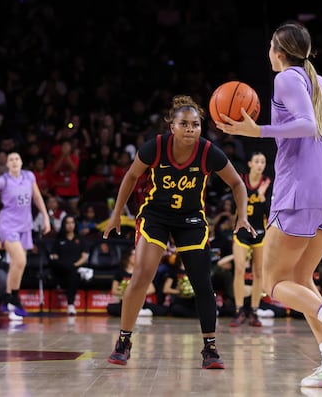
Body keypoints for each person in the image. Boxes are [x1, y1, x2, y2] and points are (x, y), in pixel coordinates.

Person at [216, 20, 322, 389]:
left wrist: (258, 131)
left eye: (269, 46)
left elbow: (306, 124)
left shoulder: (286, 78)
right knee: (300, 279)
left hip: (299, 193)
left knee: (272, 283)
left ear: (278, 52)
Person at [104, 94, 253, 369]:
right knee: (141, 276)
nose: (190, 129)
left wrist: (241, 215)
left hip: (191, 219)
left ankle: (210, 347)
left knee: (202, 283)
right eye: (184, 124)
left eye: (195, 125)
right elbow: (131, 176)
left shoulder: (208, 151)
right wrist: (116, 215)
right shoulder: (156, 147)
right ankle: (124, 340)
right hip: (155, 216)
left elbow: (238, 184)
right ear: (171, 126)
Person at [0, 151, 51, 321]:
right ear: (7, 164)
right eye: (10, 159)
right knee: (20, 260)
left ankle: (7, 299)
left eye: (16, 158)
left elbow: (38, 198)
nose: (14, 161)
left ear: (21, 162)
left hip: (25, 225)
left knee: (16, 265)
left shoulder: (29, 176)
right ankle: (15, 299)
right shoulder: (1, 181)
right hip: (7, 225)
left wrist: (46, 218)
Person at [230, 151, 271, 327]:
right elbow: (234, 205)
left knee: (259, 272)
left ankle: (254, 311)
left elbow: (271, 211)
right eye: (257, 161)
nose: (260, 164)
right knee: (239, 269)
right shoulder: (241, 180)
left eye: (263, 161)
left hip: (260, 232)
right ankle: (239, 310)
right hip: (241, 230)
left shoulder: (268, 183)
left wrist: (262, 197)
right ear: (250, 164)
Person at [48, 215, 89, 315]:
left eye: (72, 223)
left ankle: (70, 305)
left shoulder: (80, 239)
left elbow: (84, 257)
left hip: (75, 269)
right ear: (64, 225)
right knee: (65, 268)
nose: (70, 225)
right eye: (67, 223)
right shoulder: (59, 239)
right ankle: (70, 304)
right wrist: (66, 265)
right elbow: (54, 256)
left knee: (73, 274)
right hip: (61, 269)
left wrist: (74, 265)